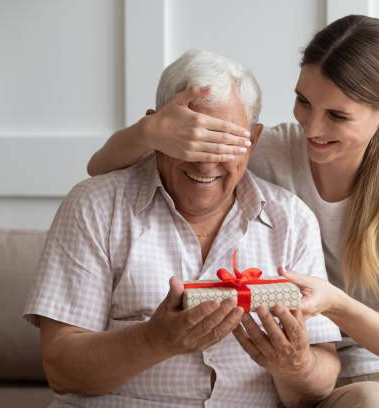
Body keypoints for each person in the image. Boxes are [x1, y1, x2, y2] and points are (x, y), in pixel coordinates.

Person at [86, 15, 379, 408]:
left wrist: (332, 301)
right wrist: (150, 131)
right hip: (336, 374)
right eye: (303, 102)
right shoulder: (271, 149)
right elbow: (102, 170)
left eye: (337, 115)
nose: (312, 129)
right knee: (373, 401)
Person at [23, 49, 342, 408]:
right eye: (191, 140)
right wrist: (154, 340)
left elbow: (319, 376)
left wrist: (297, 366)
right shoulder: (95, 206)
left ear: (252, 142)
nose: (206, 164)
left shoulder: (292, 220)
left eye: (224, 143)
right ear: (155, 130)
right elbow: (62, 370)